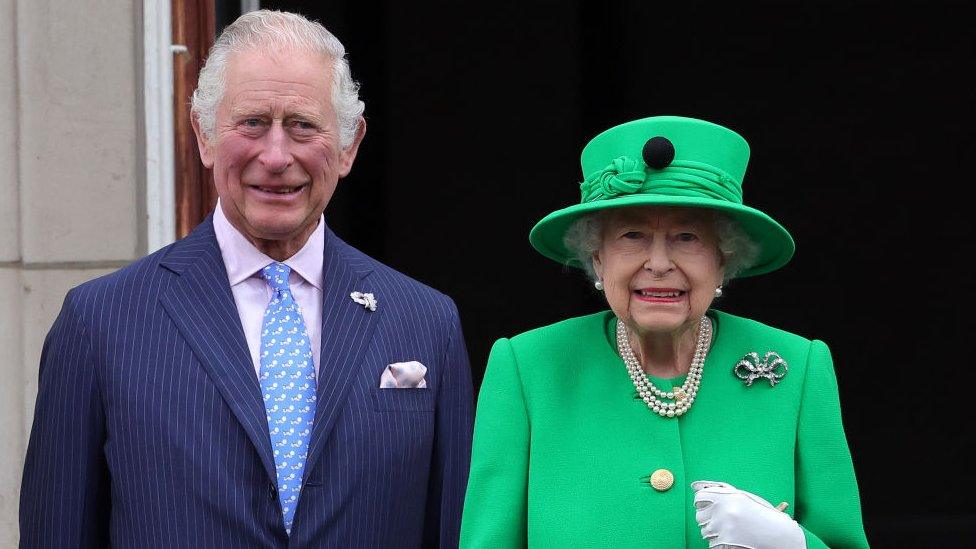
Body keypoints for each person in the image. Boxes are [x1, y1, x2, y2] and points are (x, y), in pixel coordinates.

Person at [20, 10, 472, 548]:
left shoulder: (425, 321)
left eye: (303, 125)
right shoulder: (100, 322)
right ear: (205, 136)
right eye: (252, 122)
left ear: (349, 146)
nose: (277, 156)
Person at [459, 116, 869, 548]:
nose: (658, 263)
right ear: (597, 260)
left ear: (724, 261)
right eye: (632, 235)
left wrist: (793, 545)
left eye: (687, 237)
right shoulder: (528, 368)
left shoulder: (798, 368)